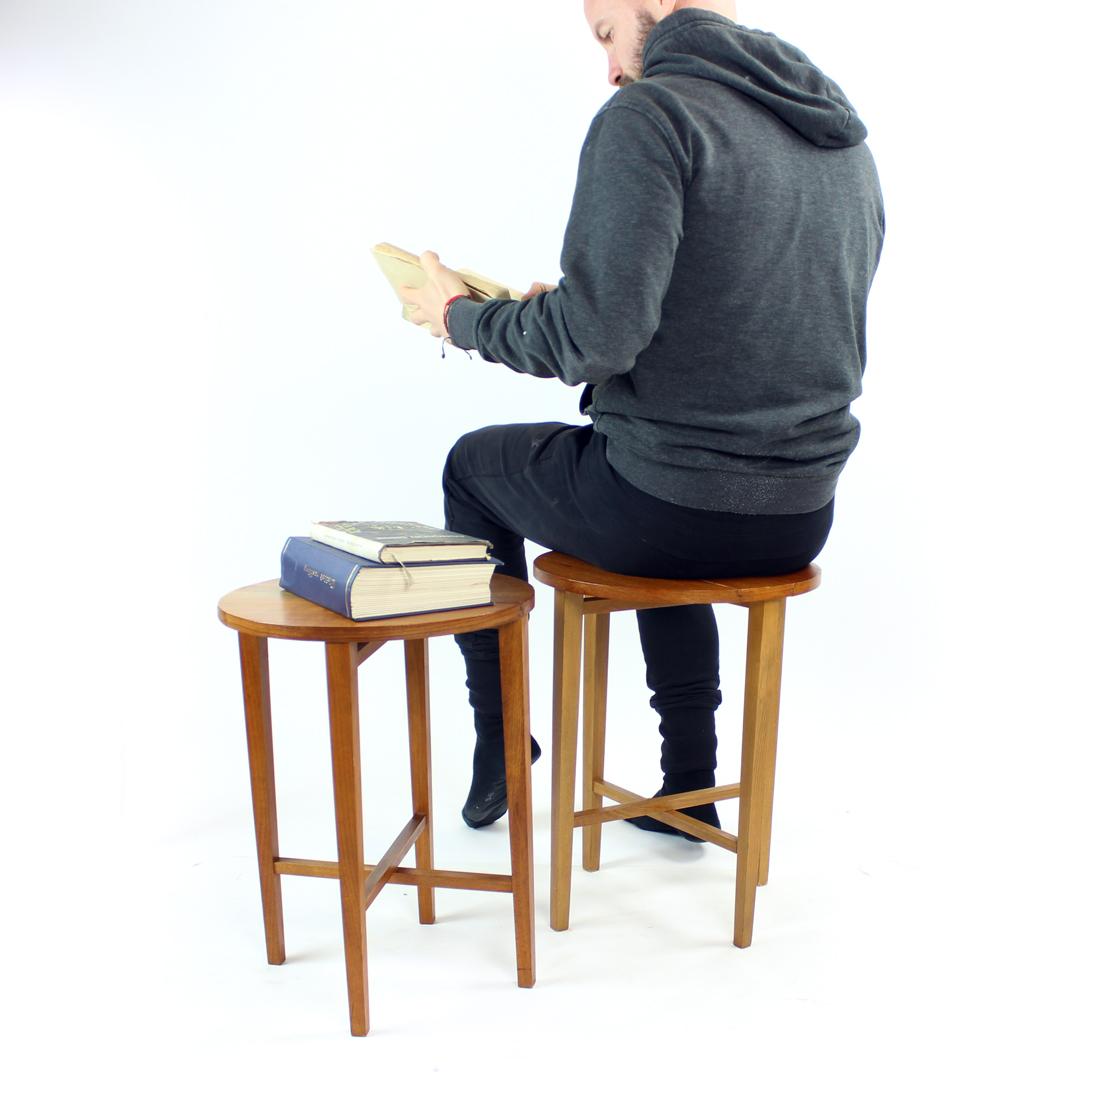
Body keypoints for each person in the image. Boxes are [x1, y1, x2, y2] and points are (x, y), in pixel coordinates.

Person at [399, 0, 884, 836]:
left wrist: (461, 318)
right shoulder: (840, 138)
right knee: (657, 476)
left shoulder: (650, 114)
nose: (612, 66)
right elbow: (739, 323)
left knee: (471, 468)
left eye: (605, 33)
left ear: (653, 6)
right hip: (803, 514)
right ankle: (687, 788)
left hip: (675, 508)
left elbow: (593, 344)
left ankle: (502, 738)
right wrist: (580, 309)